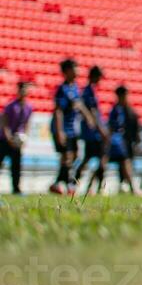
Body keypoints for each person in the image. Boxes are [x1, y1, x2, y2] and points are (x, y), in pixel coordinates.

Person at [90, 86, 140, 196]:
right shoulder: (116, 110)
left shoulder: (127, 110)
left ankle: (132, 189)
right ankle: (92, 188)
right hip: (114, 141)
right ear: (121, 96)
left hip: (118, 141)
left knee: (122, 163)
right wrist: (108, 141)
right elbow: (112, 127)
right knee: (108, 164)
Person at [49, 59, 84, 195]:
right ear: (67, 71)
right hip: (63, 129)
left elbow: (79, 105)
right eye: (75, 68)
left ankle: (57, 183)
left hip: (73, 129)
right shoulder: (62, 89)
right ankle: (68, 185)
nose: (77, 71)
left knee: (75, 156)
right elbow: (58, 111)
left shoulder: (74, 87)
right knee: (67, 157)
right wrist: (59, 131)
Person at [75, 65, 109, 189]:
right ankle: (94, 186)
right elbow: (93, 113)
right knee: (100, 158)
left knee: (90, 159)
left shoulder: (89, 91)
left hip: (91, 132)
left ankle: (83, 184)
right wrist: (101, 130)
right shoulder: (88, 92)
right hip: (92, 133)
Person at [1, 81, 33, 195]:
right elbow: (4, 122)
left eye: (25, 89)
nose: (23, 91)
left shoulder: (29, 107)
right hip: (5, 141)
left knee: (16, 166)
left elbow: (27, 123)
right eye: (21, 89)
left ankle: (16, 189)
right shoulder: (11, 106)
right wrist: (9, 138)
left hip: (17, 142)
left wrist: (25, 137)